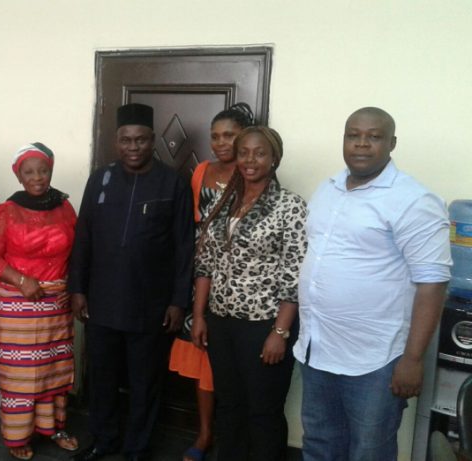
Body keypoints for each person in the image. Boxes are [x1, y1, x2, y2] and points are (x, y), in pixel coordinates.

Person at [293, 107, 452, 461]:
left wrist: (412, 359)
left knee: (369, 451)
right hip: (317, 349)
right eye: (353, 135)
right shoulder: (329, 189)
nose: (362, 144)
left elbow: (433, 283)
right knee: (319, 444)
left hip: (375, 359)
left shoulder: (413, 199)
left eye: (374, 136)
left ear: (392, 143)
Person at [68, 103, 195, 461]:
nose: (134, 147)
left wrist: (177, 301)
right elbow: (84, 237)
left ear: (152, 140)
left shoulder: (173, 183)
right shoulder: (101, 179)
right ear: (116, 141)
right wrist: (77, 288)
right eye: (126, 140)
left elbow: (186, 247)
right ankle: (104, 440)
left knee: (145, 383)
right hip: (102, 300)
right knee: (103, 379)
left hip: (150, 306)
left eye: (141, 139)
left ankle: (137, 448)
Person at [191, 126, 307, 461]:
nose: (250, 160)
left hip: (264, 326)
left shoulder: (290, 206)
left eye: (259, 153)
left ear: (274, 159)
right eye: (244, 153)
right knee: (229, 405)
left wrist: (280, 332)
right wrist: (199, 316)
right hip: (222, 323)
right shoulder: (227, 199)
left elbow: (294, 275)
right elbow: (205, 264)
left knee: (263, 411)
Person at [0, 142, 79, 460]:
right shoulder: (5, 211)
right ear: (19, 175)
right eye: (29, 172)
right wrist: (23, 281)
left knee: (54, 368)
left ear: (51, 170)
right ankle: (18, 436)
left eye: (43, 170)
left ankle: (55, 428)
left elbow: (78, 251)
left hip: (55, 303)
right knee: (20, 373)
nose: (37, 177)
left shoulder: (65, 208)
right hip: (17, 305)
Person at [168, 102, 254, 461]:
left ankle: (232, 437)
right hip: (200, 277)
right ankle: (204, 434)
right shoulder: (202, 170)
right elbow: (190, 224)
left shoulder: (253, 172)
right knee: (201, 355)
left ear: (244, 138)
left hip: (237, 281)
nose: (220, 142)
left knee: (230, 361)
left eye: (229, 135)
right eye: (215, 136)